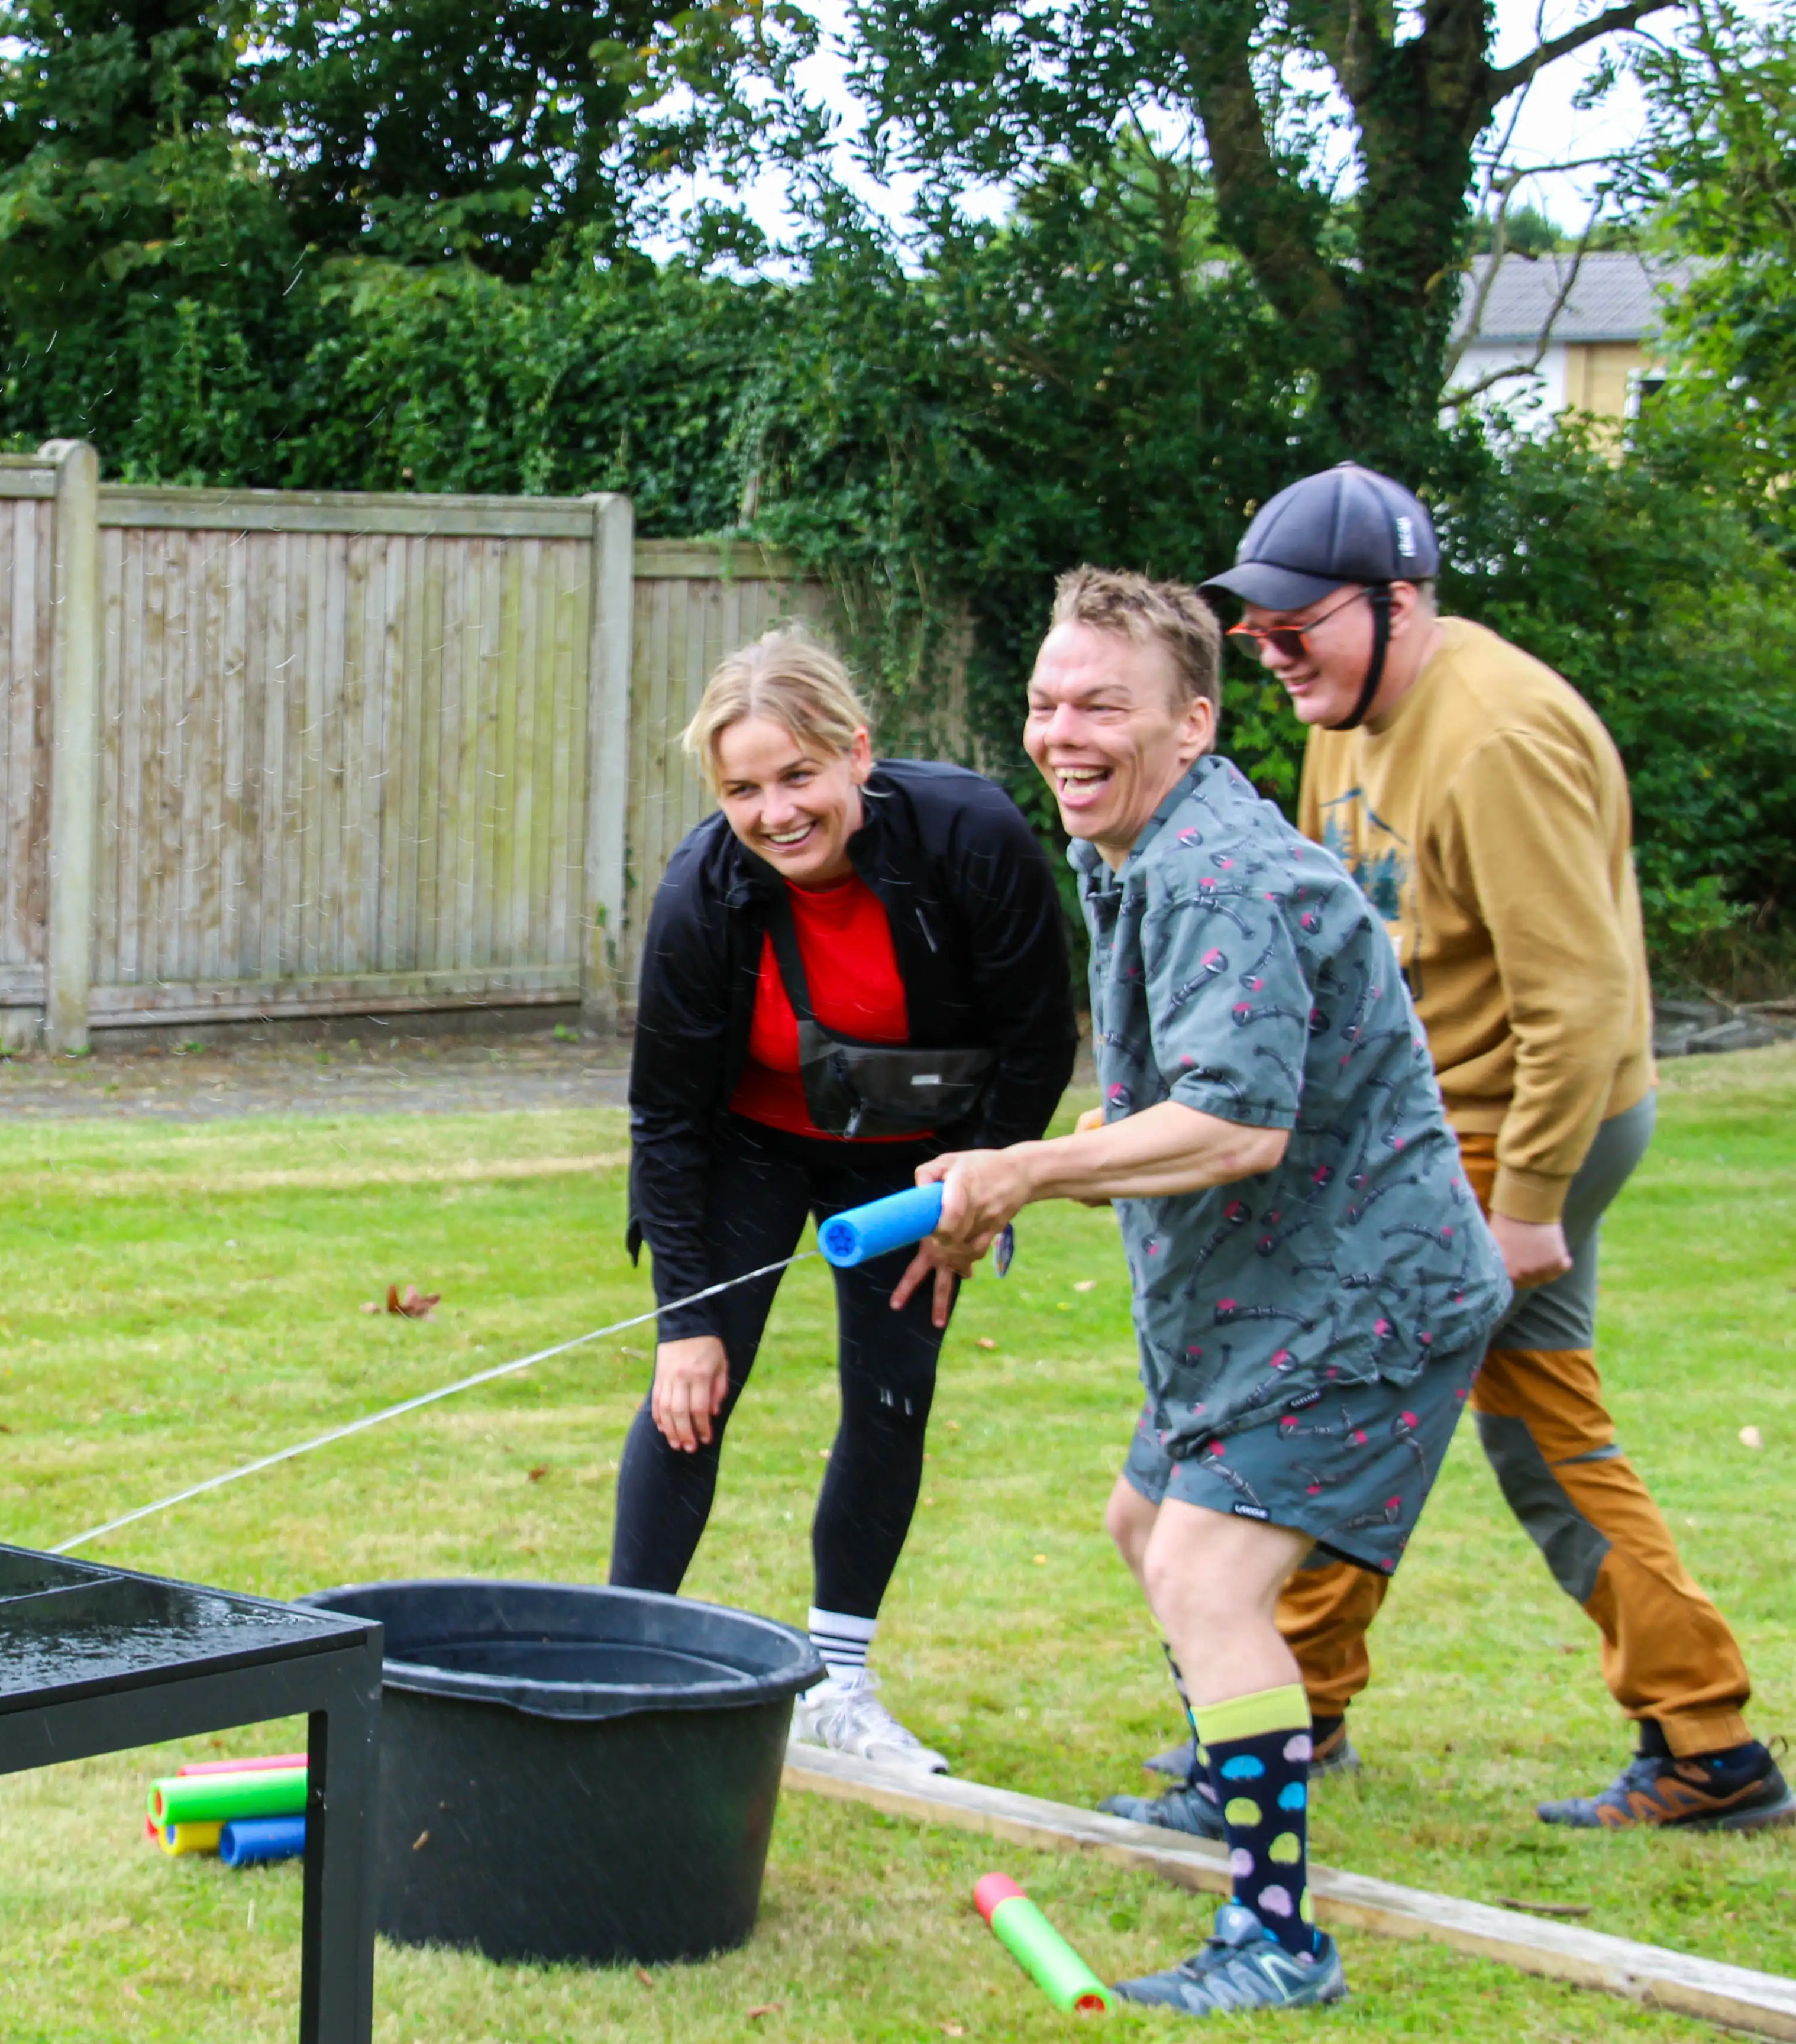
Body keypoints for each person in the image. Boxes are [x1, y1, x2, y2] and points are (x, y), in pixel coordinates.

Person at [1124, 461, 1786, 1833]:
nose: (1271, 650)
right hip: (1427, 1123)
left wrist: (1531, 1199)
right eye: (1254, 626)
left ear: (1399, 601)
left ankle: (1702, 1741)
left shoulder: (1494, 735)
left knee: (1397, 1397)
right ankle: (1307, 1698)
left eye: (1296, 622)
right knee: (1434, 1412)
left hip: (1509, 1129)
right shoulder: (1349, 710)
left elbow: (1583, 996)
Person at [911, 566, 1507, 2011]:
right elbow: (1172, 1097)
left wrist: (1023, 1172)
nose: (1060, 731)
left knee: (1203, 1568)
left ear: (1191, 720)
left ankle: (1276, 1937)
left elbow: (1238, 1124)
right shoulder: (1143, 847)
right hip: (1265, 1288)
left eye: (1098, 704)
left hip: (1366, 1289)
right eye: (1045, 701)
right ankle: (1224, 1777)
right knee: (1142, 1519)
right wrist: (1007, 1172)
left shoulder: (1214, 874)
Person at [619, 629, 1074, 1773]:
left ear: (854, 753)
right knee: (693, 1391)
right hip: (746, 1141)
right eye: (740, 789)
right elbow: (665, 1118)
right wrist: (683, 1320)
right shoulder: (697, 895)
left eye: (796, 776)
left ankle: (839, 1683)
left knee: (889, 1390)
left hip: (914, 1158)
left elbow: (1033, 1041)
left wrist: (979, 1186)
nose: (773, 812)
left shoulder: (968, 836)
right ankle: (617, 1663)